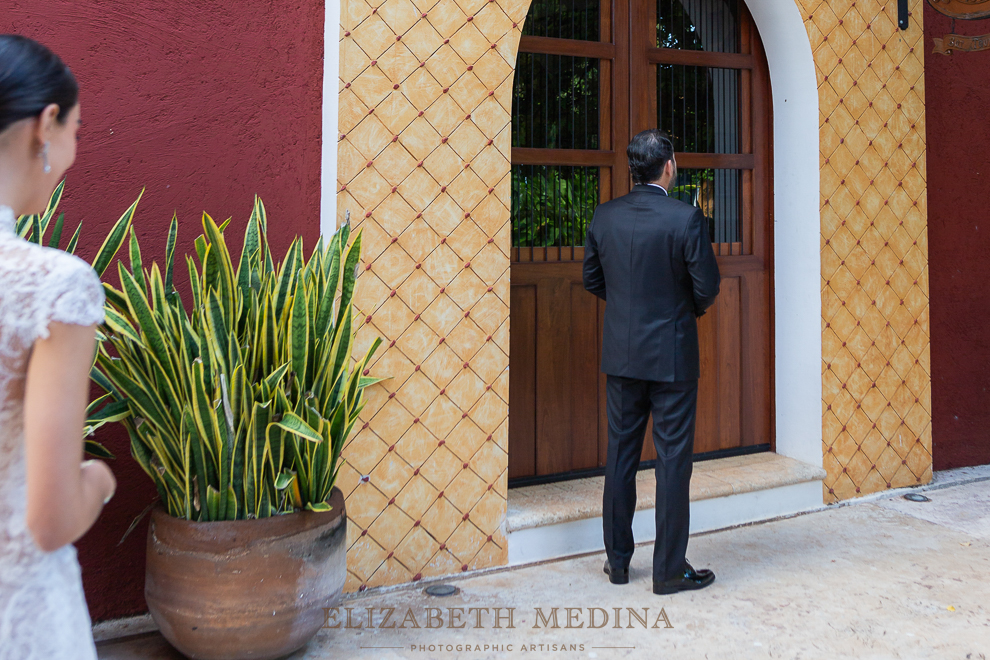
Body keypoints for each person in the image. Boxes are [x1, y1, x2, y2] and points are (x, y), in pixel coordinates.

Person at [0, 34, 116, 658]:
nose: (74, 146)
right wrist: (97, 480)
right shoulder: (54, 287)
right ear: (46, 125)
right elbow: (48, 521)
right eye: (77, 127)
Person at [583, 129, 720, 595]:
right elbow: (708, 287)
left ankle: (618, 563)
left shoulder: (606, 216)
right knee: (672, 462)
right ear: (669, 166)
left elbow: (593, 279)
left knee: (620, 457)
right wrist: (686, 311)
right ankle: (667, 570)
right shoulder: (686, 219)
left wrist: (625, 308)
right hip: (673, 356)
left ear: (632, 170)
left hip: (622, 355)